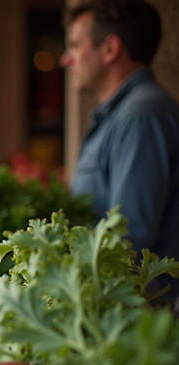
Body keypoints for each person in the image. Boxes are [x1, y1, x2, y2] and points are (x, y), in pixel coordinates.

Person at [61, 0, 179, 303]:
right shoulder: (123, 114)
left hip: (136, 322)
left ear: (110, 48)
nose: (65, 59)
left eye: (74, 46)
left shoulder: (141, 117)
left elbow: (128, 240)